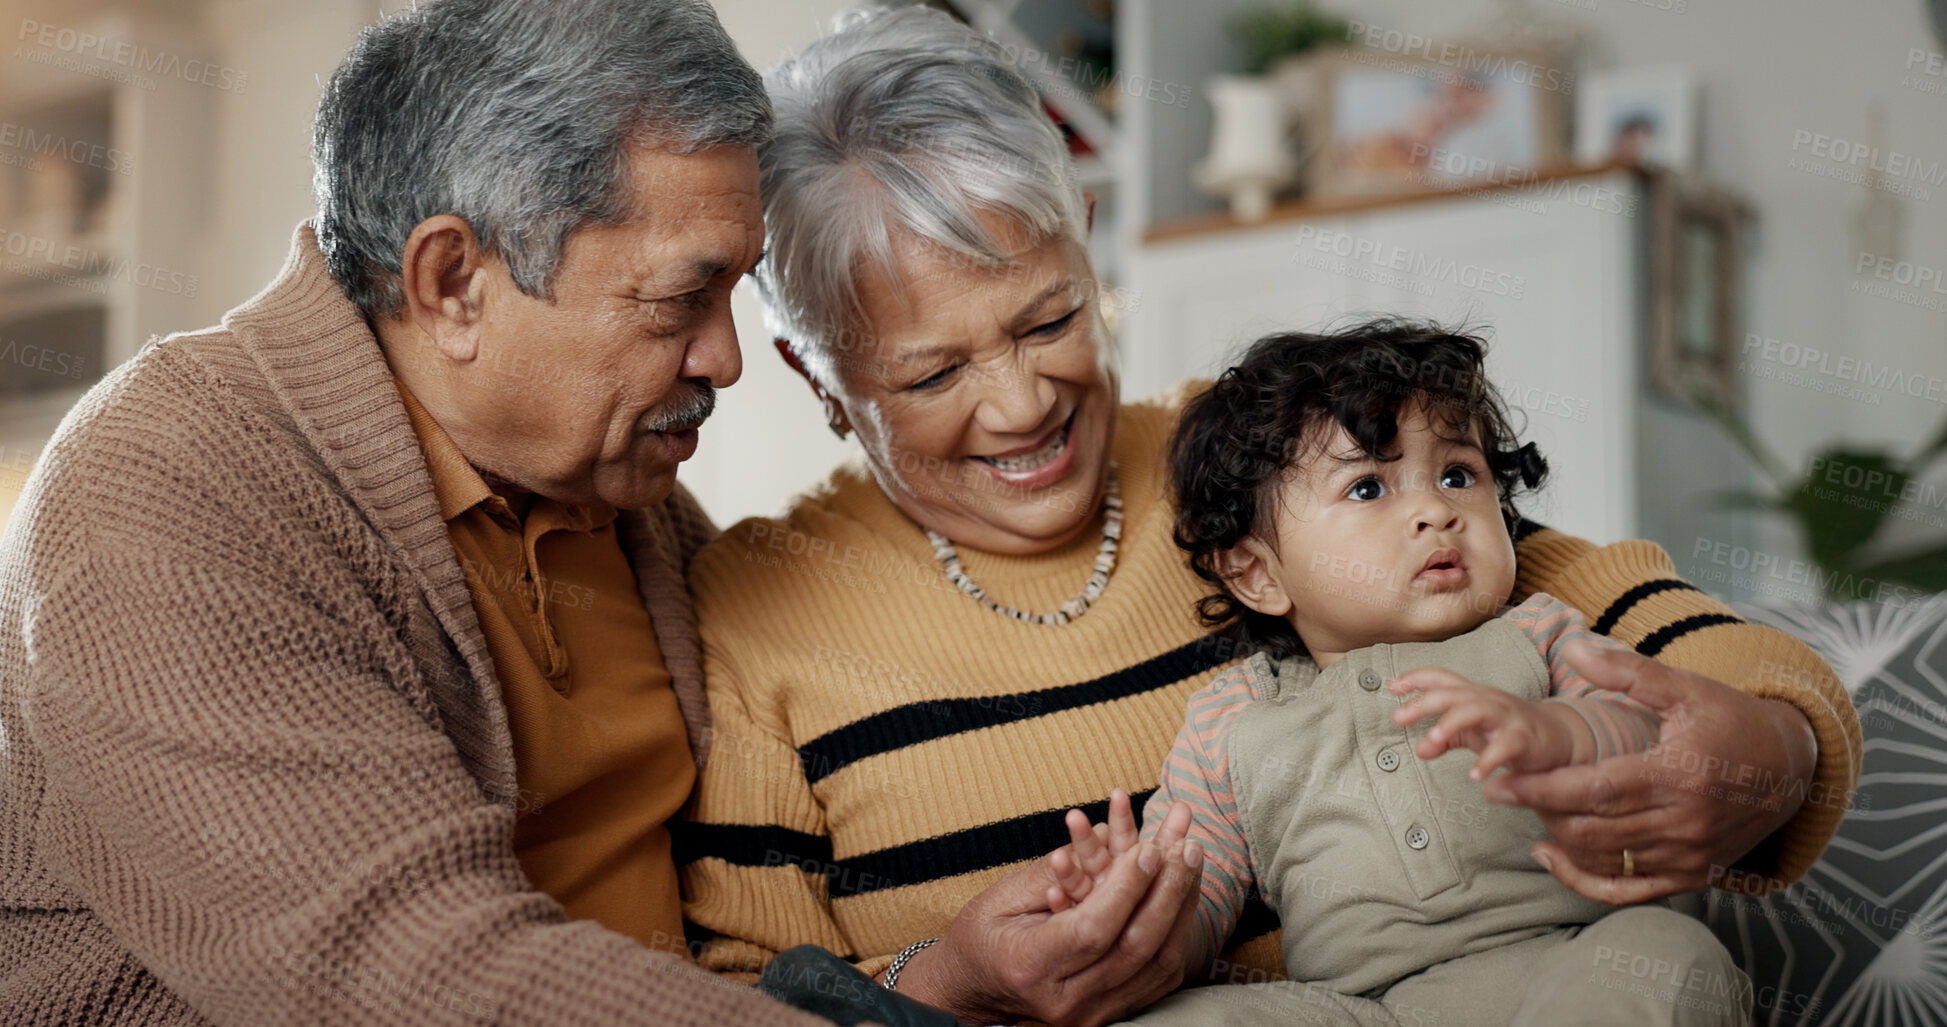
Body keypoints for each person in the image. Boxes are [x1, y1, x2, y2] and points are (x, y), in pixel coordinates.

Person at [678, 7, 1858, 1027]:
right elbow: (737, 995)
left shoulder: (1256, 458)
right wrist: (948, 982)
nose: (1023, 403)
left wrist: (1773, 748)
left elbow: (1603, 603)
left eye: (1048, 322)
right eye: (933, 375)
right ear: (818, 377)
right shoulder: (756, 608)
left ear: (1086, 245)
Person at [0, 1, 900, 1023]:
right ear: (453, 283)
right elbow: (409, 974)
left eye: (735, 292)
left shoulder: (622, 494)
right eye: (678, 300)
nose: (724, 359)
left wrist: (922, 981)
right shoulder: (162, 487)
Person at [1045, 321, 1749, 1025]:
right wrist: (1131, 904)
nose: (1434, 510)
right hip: (1362, 1011)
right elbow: (1199, 897)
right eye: (1366, 487)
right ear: (1258, 573)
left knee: (1667, 951)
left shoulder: (1538, 634)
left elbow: (1655, 748)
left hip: (1571, 961)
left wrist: (1556, 732)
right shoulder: (1231, 721)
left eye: (1456, 474)